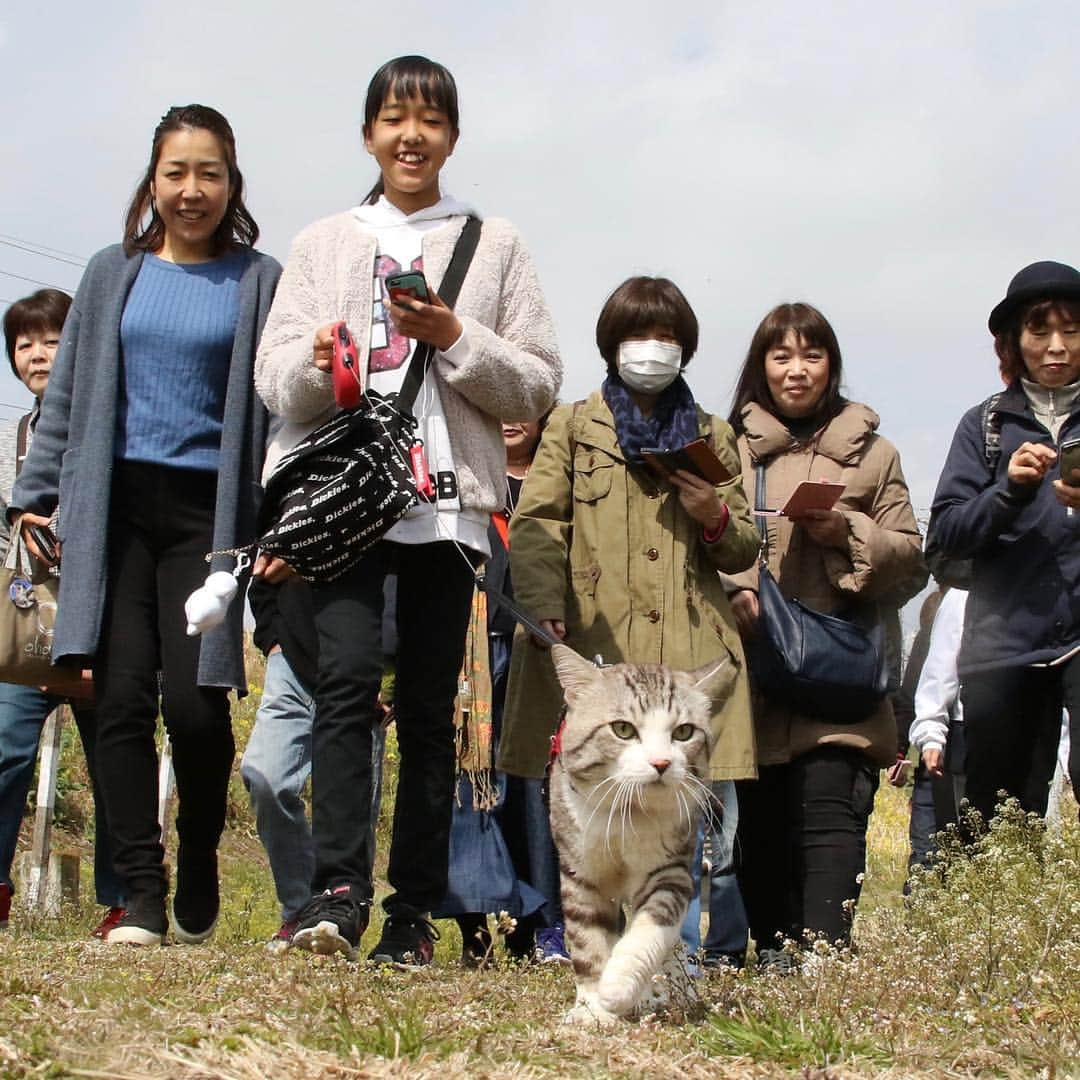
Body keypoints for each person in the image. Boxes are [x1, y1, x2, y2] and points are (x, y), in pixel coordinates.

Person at [255, 55, 561, 965]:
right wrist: (319, 361)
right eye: (393, 118)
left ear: (453, 137)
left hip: (450, 509)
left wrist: (455, 336)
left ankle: (410, 916)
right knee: (344, 689)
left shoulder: (493, 242)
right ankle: (336, 897)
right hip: (348, 505)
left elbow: (540, 379)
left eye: (429, 120)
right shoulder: (322, 243)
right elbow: (277, 385)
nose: (411, 135)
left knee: (432, 710)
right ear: (368, 134)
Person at [10, 106, 281, 946]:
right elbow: (67, 396)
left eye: (209, 173)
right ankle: (140, 895)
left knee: (196, 709)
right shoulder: (109, 271)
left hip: (208, 517)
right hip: (112, 511)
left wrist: (275, 525)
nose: (191, 190)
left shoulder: (258, 278)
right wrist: (32, 490)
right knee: (116, 698)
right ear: (152, 180)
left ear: (231, 182)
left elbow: (274, 409)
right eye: (176, 173)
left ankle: (198, 848)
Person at [498, 276, 761, 935]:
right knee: (598, 816)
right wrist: (542, 603)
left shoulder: (713, 434)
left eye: (668, 338)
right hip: (599, 645)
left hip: (692, 654)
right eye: (639, 335)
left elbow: (743, 549)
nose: (652, 349)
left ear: (687, 350)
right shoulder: (573, 426)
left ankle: (694, 962)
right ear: (612, 344)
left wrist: (713, 514)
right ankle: (608, 950)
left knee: (699, 825)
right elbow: (537, 522)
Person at [723, 302, 925, 968]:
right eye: (781, 356)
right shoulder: (728, 450)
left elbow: (911, 564)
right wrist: (737, 589)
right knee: (759, 822)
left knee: (829, 808)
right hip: (754, 673)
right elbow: (699, 546)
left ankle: (827, 958)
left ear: (831, 364)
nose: (797, 370)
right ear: (761, 367)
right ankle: (778, 953)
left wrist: (848, 532)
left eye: (812, 355)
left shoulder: (875, 455)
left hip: (839, 669)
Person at [927, 260, 1080, 828]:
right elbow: (944, 534)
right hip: (1005, 644)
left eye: (1072, 329)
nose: (1056, 346)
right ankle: (1005, 916)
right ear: (1015, 341)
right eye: (1040, 331)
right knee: (998, 816)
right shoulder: (986, 425)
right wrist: (1008, 491)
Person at [0, 289, 126, 936]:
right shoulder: (16, 435)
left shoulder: (106, 424)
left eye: (51, 340)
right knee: (4, 749)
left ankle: (123, 900)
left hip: (100, 620)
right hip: (25, 627)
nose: (38, 354)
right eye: (23, 344)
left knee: (114, 762)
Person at [432, 416, 562, 967]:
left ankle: (539, 927)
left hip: (539, 654)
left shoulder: (560, 482)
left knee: (534, 794)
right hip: (469, 652)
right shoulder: (460, 471)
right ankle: (473, 929)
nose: (511, 419)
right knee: (472, 789)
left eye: (523, 406)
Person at [240, 572, 392, 952]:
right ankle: (300, 909)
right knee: (264, 776)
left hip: (363, 669)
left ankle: (342, 912)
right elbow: (265, 557)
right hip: (291, 660)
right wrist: (272, 640)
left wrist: (390, 678)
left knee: (352, 811)